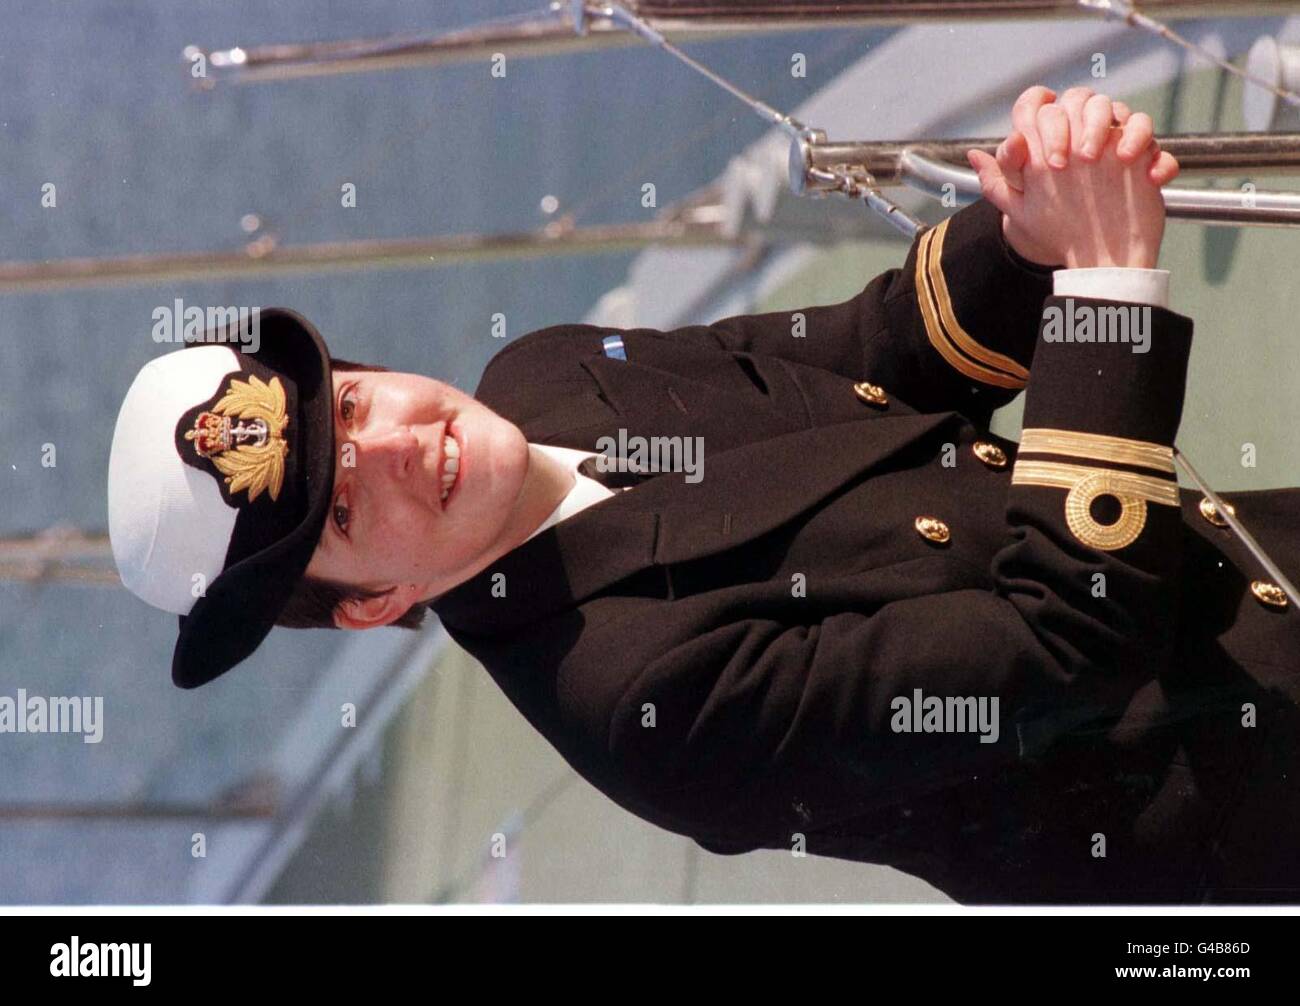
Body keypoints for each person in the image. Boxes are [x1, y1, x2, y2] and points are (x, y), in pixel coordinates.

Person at [107, 86, 1300, 903]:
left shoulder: (547, 375)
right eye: (349, 510)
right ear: (375, 604)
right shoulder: (645, 707)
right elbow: (1065, 633)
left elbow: (877, 355)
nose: (406, 448)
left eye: (358, 409)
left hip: (1254, 555)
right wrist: (1106, 295)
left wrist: (1025, 234)